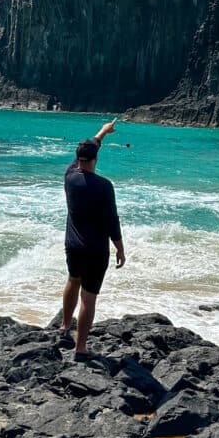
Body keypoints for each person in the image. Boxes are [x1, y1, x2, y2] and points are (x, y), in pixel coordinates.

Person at [60, 118, 125, 359]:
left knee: (72, 280)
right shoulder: (104, 186)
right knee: (88, 297)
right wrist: (120, 248)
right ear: (95, 159)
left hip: (73, 245)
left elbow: (88, 147)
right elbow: (112, 221)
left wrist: (102, 132)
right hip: (96, 250)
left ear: (78, 159)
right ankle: (80, 348)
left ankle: (64, 327)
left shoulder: (69, 176)